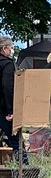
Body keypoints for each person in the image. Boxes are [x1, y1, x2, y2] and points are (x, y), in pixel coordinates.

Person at [0, 36, 28, 164]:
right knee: (17, 142)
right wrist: (10, 110)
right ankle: (26, 173)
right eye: (10, 48)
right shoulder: (7, 64)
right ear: (4, 48)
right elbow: (7, 87)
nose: (11, 50)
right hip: (3, 110)